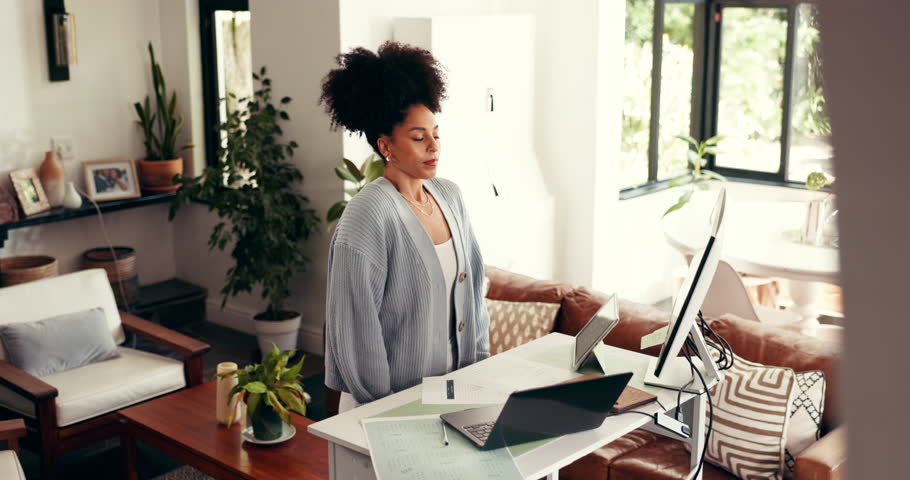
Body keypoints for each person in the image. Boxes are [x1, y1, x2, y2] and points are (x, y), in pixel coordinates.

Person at [320, 42, 490, 413]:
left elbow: (475, 293)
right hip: (384, 409)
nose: (433, 146)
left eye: (436, 134)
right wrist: (387, 412)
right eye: (418, 137)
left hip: (449, 398)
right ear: (386, 146)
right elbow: (356, 329)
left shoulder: (451, 196)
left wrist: (477, 377)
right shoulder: (367, 216)